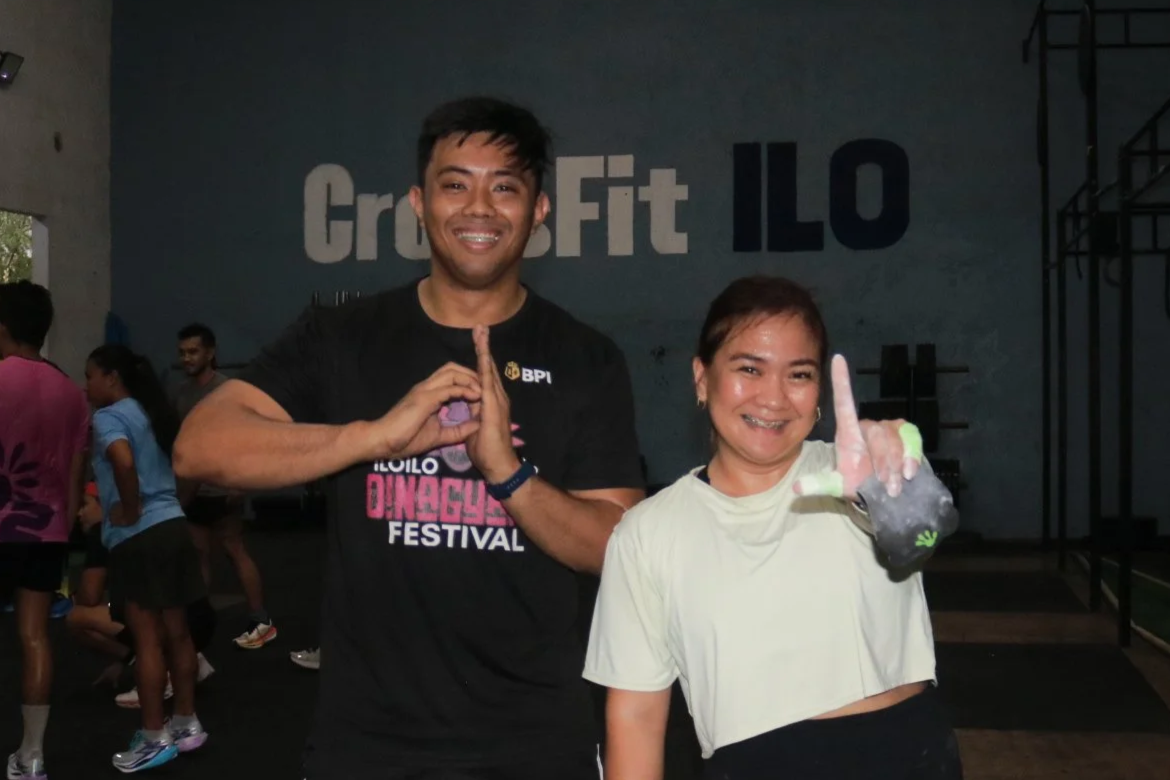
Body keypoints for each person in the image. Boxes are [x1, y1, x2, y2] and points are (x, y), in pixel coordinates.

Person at [173, 96, 645, 779]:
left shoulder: (584, 356)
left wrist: (510, 474)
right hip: (366, 744)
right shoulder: (343, 337)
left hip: (533, 743)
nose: (479, 208)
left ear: (540, 210)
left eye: (505, 186)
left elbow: (619, 547)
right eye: (455, 184)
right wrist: (372, 438)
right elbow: (201, 444)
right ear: (418, 203)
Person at [583, 276, 964, 780]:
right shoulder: (647, 533)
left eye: (799, 375)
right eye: (749, 369)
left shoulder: (859, 472)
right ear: (702, 378)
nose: (774, 398)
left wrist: (895, 492)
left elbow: (926, 536)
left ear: (819, 391)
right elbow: (635, 718)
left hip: (907, 756)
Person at [85, 345, 210, 772]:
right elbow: (190, 465)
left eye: (90, 376)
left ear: (111, 378)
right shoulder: (150, 411)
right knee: (177, 632)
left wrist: (132, 508)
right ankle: (186, 724)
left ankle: (155, 737)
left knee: (147, 640)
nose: (87, 385)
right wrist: (171, 504)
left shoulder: (108, 417)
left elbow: (121, 460)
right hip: (173, 527)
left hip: (139, 538)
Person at [0, 281, 89, 780]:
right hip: (46, 532)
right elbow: (76, 480)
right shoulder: (72, 393)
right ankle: (32, 755)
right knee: (34, 637)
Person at [66, 483, 218, 707]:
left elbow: (88, 598)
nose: (79, 513)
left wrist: (74, 592)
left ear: (103, 505)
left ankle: (161, 675)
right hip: (199, 618)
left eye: (84, 505)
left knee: (77, 618)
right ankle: (184, 661)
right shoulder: (150, 522)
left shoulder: (104, 532)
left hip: (177, 618)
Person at [174, 322, 274, 649]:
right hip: (193, 490)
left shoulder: (227, 390)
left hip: (224, 488)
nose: (187, 358)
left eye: (193, 352)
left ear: (210, 353)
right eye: (183, 353)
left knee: (234, 550)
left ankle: (261, 620)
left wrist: (240, 484)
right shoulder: (182, 394)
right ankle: (198, 622)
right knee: (198, 554)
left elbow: (247, 438)